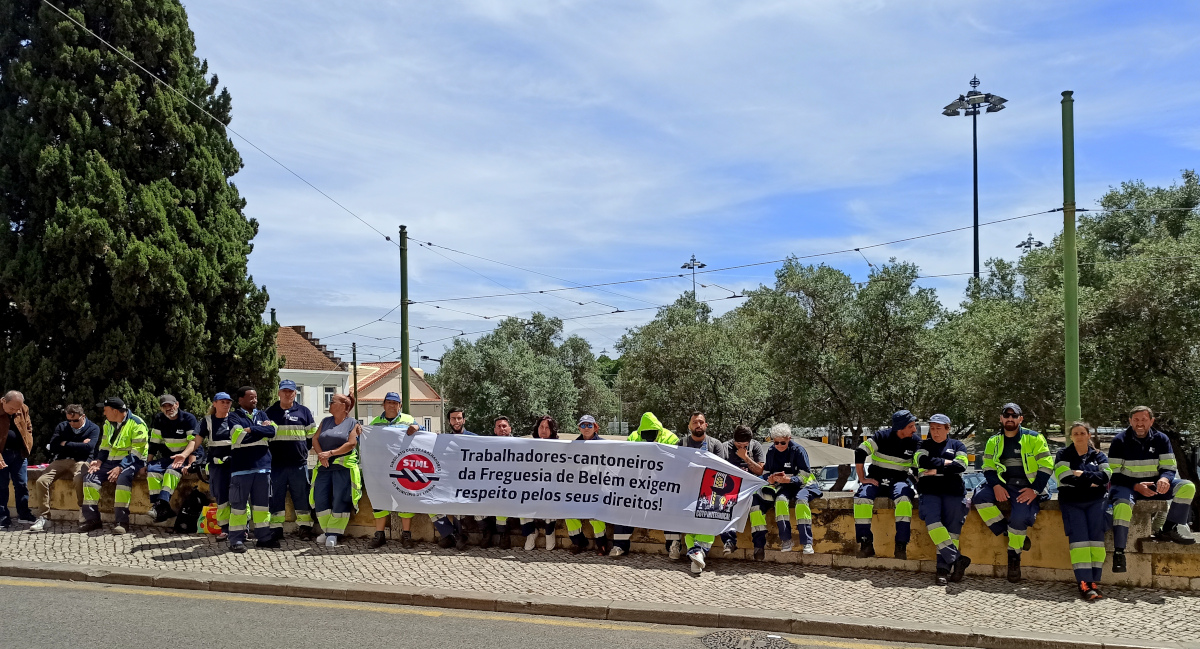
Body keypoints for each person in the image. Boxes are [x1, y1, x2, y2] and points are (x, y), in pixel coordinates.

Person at [971, 403, 1053, 583]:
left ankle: (1014, 558)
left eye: (1014, 416)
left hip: (1027, 487)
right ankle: (1007, 531)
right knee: (979, 499)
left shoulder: (1035, 438)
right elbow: (988, 467)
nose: (1010, 418)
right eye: (1006, 415)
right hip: (1004, 485)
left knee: (1019, 518)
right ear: (1001, 418)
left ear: (1020, 419)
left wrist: (1035, 490)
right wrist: (996, 486)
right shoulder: (994, 441)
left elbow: (1047, 465)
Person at [1108, 406, 1196, 572]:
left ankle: (1169, 528)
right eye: (1136, 420)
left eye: (1144, 420)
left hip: (1155, 485)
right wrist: (1136, 486)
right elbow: (1113, 474)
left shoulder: (1162, 439)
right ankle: (1119, 552)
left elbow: (1169, 467)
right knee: (1121, 506)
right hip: (1127, 487)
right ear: (1130, 421)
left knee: (1187, 487)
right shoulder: (1119, 440)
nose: (1140, 423)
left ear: (1151, 421)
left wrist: (1165, 479)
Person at [610, 412, 680, 557]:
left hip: (663, 484)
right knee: (623, 503)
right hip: (638, 483)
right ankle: (619, 545)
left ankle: (673, 546)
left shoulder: (671, 438)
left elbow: (677, 462)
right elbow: (626, 459)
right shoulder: (634, 437)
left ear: (658, 431)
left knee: (670, 506)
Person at [1055, 421, 1111, 600]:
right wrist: (1092, 481)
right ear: (1071, 437)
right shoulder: (1063, 454)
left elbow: (1106, 477)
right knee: (1079, 544)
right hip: (1072, 503)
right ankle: (1084, 583)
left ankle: (1094, 581)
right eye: (1075, 433)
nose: (1079, 436)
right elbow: (1064, 477)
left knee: (1096, 542)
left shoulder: (1099, 455)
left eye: (1082, 433)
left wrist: (1081, 475)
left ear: (1088, 435)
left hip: (1096, 503)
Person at [854, 410, 920, 559]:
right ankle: (866, 544)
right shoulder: (881, 436)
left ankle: (901, 545)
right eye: (911, 426)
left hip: (898, 482)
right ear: (900, 427)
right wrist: (863, 478)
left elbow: (917, 467)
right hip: (875, 480)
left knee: (904, 500)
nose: (914, 430)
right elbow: (860, 451)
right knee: (862, 499)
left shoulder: (915, 442)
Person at [914, 414, 971, 585]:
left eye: (939, 428)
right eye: (932, 428)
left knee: (952, 531)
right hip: (930, 491)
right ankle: (957, 559)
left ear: (948, 428)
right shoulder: (923, 445)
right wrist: (947, 463)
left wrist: (936, 469)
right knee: (933, 523)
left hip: (953, 492)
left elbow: (961, 465)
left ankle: (943, 570)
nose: (935, 432)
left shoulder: (958, 445)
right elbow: (922, 461)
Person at [408, 407, 476, 549]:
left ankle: (461, 535)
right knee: (430, 503)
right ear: (449, 421)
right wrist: (418, 426)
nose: (456, 421)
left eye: (459, 418)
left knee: (460, 506)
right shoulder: (444, 439)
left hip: (467, 483)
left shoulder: (473, 438)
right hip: (446, 482)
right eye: (453, 418)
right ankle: (449, 534)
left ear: (464, 420)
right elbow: (426, 436)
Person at [81, 397, 148, 534]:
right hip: (110, 462)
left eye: (106, 410)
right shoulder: (108, 423)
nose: (104, 414)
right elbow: (105, 446)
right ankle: (93, 520)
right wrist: (99, 461)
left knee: (123, 480)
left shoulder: (137, 424)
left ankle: (121, 522)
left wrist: (121, 467)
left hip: (132, 462)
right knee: (90, 478)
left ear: (115, 411)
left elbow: (136, 452)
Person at [757, 423, 822, 562]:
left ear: (789, 438)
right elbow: (767, 471)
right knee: (780, 501)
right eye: (776, 442)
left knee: (801, 501)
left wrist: (790, 479)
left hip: (804, 486)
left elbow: (805, 474)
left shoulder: (798, 450)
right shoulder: (771, 451)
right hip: (784, 486)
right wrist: (770, 479)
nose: (779, 445)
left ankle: (807, 542)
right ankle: (786, 540)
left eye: (783, 442)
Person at [225, 386, 278, 552]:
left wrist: (251, 429)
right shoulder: (233, 417)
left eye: (255, 397)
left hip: (263, 469)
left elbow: (273, 431)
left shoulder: (262, 414)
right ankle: (236, 540)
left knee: (262, 507)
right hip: (242, 469)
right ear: (240, 400)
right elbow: (238, 437)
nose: (254, 400)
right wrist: (261, 430)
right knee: (238, 507)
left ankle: (264, 538)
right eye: (250, 398)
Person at [31, 404, 100, 532]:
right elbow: (53, 446)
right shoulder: (62, 426)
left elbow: (89, 447)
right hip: (62, 460)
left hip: (82, 461)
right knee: (42, 481)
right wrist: (78, 444)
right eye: (69, 420)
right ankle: (44, 517)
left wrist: (65, 443)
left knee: (79, 479)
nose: (72, 423)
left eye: (75, 420)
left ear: (83, 417)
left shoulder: (93, 428)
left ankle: (83, 512)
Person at [365, 392, 420, 549]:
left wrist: (417, 426)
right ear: (383, 405)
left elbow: (421, 431)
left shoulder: (408, 419)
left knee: (405, 500)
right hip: (381, 468)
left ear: (400, 406)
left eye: (395, 403)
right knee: (379, 500)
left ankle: (406, 535)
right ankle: (379, 535)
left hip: (402, 468)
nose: (391, 405)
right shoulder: (375, 423)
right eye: (388, 402)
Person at [265, 380, 317, 542]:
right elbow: (264, 438)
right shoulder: (269, 412)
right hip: (276, 465)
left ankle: (305, 528)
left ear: (295, 393)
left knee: (302, 496)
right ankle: (276, 529)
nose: (288, 394)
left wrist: (301, 451)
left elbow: (312, 437)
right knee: (275, 497)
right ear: (279, 393)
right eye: (284, 391)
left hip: (298, 464)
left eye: (291, 391)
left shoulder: (304, 412)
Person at [311, 393, 364, 548]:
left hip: (343, 467)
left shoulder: (352, 423)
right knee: (320, 497)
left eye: (332, 401)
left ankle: (333, 533)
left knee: (340, 499)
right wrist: (322, 455)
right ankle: (327, 530)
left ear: (342, 406)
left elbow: (351, 444)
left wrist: (331, 453)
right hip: (325, 466)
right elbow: (315, 438)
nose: (329, 403)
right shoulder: (326, 421)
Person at [179, 393, 234, 540]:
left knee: (239, 498)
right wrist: (184, 455)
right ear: (215, 403)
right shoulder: (208, 421)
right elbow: (195, 442)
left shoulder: (235, 419)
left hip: (235, 464)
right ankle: (225, 528)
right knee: (221, 497)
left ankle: (242, 529)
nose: (226, 404)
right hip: (217, 465)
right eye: (223, 402)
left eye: (228, 402)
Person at [146, 394, 201, 522]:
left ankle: (159, 506)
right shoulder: (159, 419)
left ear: (177, 404)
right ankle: (162, 507)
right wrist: (147, 463)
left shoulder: (188, 418)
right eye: (164, 406)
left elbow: (194, 443)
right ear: (161, 408)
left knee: (172, 470)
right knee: (152, 470)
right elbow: (154, 443)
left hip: (188, 454)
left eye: (170, 405)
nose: (168, 408)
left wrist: (190, 464)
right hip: (170, 456)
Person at [565, 414, 609, 555]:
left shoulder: (604, 445)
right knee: (569, 515)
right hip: (577, 488)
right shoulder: (572, 446)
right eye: (583, 425)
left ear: (595, 427)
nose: (586, 428)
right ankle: (579, 542)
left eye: (589, 425)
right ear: (579, 427)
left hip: (597, 488)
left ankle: (601, 544)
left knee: (595, 517)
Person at [721, 424, 765, 555]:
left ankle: (759, 545)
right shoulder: (725, 447)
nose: (741, 448)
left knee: (756, 507)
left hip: (751, 487)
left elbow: (760, 470)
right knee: (725, 504)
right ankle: (729, 541)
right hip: (731, 486)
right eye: (738, 445)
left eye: (744, 445)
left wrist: (745, 457)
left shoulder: (755, 446)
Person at [521, 415, 560, 551]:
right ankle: (530, 533)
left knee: (551, 499)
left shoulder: (559, 447)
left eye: (547, 428)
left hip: (550, 486)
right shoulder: (528, 446)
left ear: (552, 430)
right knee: (521, 499)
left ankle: (550, 532)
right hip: (531, 485)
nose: (543, 430)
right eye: (541, 427)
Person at [0, 391, 34, 530]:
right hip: (2, 455)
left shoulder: (23, 409)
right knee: (1, 487)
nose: (14, 411)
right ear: (3, 401)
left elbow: (28, 427)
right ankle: (2, 518)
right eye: (11, 408)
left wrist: (28, 444)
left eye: (17, 409)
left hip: (19, 454)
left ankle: (24, 514)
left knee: (21, 484)